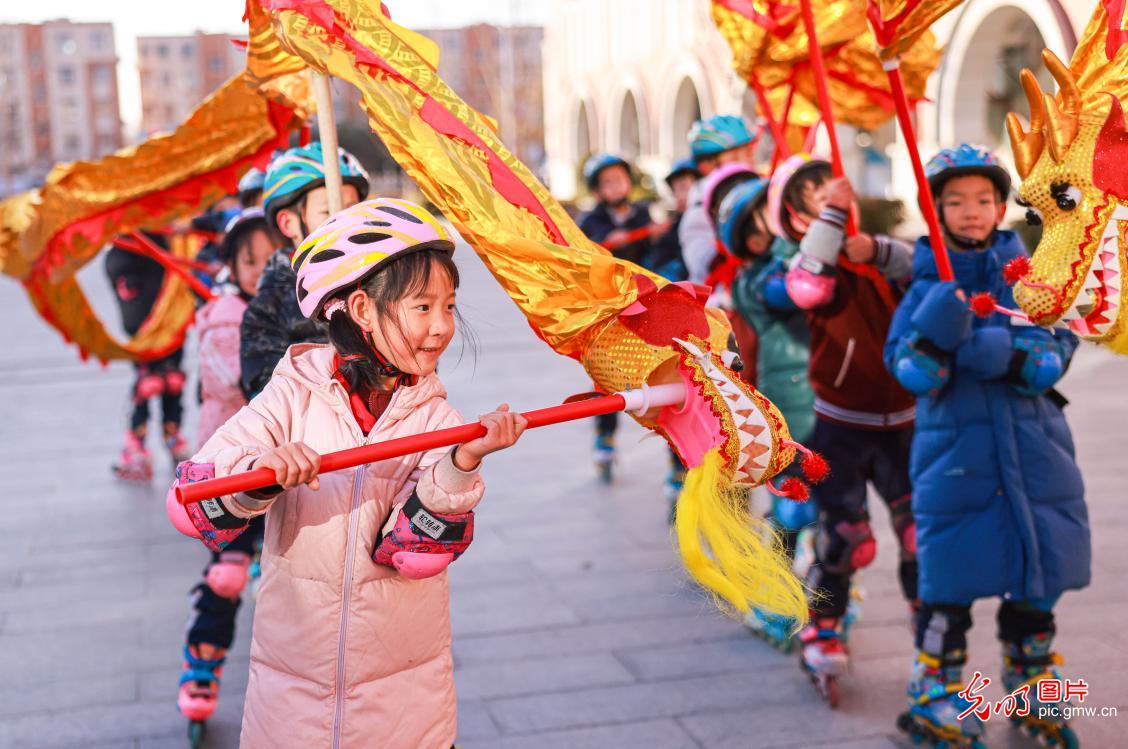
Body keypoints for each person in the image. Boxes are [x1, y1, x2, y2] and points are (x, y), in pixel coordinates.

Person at [169, 198, 527, 748]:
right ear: (361, 310)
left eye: (450, 307)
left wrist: (461, 464)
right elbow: (194, 501)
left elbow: (412, 553)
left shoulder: (437, 419)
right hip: (292, 693)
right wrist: (263, 475)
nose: (441, 327)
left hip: (405, 700)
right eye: (423, 307)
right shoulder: (291, 393)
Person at [885, 145, 1089, 748]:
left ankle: (1034, 690)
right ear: (935, 211)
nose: (971, 212)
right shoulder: (922, 285)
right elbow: (909, 370)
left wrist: (1014, 356)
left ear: (1001, 206)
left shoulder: (1029, 278)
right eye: (955, 201)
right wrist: (937, 336)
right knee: (946, 589)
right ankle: (936, 696)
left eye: (982, 200)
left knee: (1034, 583)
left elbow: (1058, 345)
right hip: (955, 463)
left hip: (1035, 452)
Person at [767, 154, 918, 703]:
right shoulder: (797, 260)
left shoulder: (866, 250)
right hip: (843, 427)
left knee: (918, 536)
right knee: (846, 541)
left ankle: (933, 643)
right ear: (789, 210)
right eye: (809, 191)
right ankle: (823, 628)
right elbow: (806, 285)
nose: (825, 191)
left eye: (826, 185)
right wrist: (833, 215)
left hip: (903, 422)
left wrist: (877, 249)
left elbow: (924, 266)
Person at [177, 207, 274, 731]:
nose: (260, 267)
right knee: (228, 573)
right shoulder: (222, 316)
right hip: (230, 472)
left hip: (284, 471)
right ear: (231, 265)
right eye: (248, 259)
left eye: (269, 257)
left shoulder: (292, 310)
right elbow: (236, 382)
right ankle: (202, 665)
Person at [716, 176, 818, 650]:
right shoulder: (759, 276)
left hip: (827, 407)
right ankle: (773, 601)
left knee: (831, 514)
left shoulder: (788, 259)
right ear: (754, 235)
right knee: (792, 513)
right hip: (790, 412)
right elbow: (793, 292)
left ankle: (826, 597)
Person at [240, 143, 369, 400]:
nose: (344, 222)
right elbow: (269, 398)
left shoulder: (379, 285)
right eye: (328, 211)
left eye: (351, 209)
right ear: (289, 223)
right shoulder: (269, 308)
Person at [577, 152, 654, 481]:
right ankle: (605, 434)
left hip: (645, 307)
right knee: (607, 376)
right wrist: (608, 244)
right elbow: (582, 258)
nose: (616, 185)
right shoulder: (591, 222)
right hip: (609, 312)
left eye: (620, 179)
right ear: (597, 190)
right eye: (608, 182)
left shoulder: (643, 215)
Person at [106, 232, 191, 480]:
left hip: (173, 324)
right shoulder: (125, 243)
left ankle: (174, 439)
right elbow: (119, 275)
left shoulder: (171, 237)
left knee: (173, 383)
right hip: (145, 328)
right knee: (148, 385)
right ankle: (136, 448)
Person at [680, 114, 758, 284]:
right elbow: (702, 263)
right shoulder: (699, 212)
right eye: (736, 157)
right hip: (718, 302)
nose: (748, 161)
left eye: (748, 153)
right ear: (706, 166)